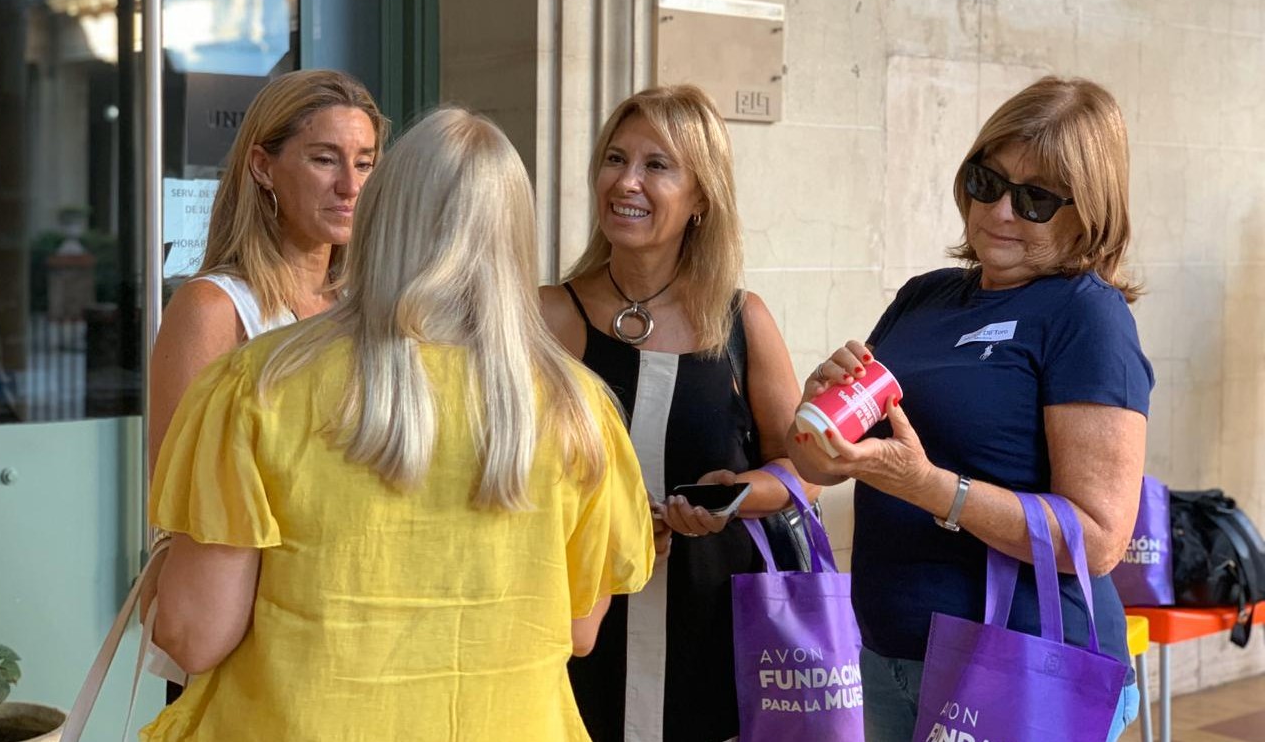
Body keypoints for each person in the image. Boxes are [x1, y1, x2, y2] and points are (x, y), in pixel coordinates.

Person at [142, 108, 656, 741]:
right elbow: (578, 632)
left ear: (384, 212)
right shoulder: (581, 411)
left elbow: (194, 637)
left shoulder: (260, 386)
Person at [788, 76, 1151, 742]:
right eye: (987, 181)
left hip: (1015, 663)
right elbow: (833, 460)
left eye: (1035, 198)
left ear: (1088, 211)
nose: (1000, 211)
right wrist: (816, 417)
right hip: (892, 651)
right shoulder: (925, 298)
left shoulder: (1084, 314)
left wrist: (932, 489)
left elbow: (1098, 536)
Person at [540, 84, 820, 742]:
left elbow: (801, 472)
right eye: (615, 158)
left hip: (714, 626)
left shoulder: (741, 321)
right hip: (582, 624)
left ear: (701, 198)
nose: (626, 181)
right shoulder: (549, 315)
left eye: (656, 165)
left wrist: (735, 495)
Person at [143, 69, 386, 695]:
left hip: (353, 636)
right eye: (324, 159)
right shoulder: (214, 308)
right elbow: (182, 507)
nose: (350, 186)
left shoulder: (373, 307)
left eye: (365, 162)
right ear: (262, 165)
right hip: (243, 649)